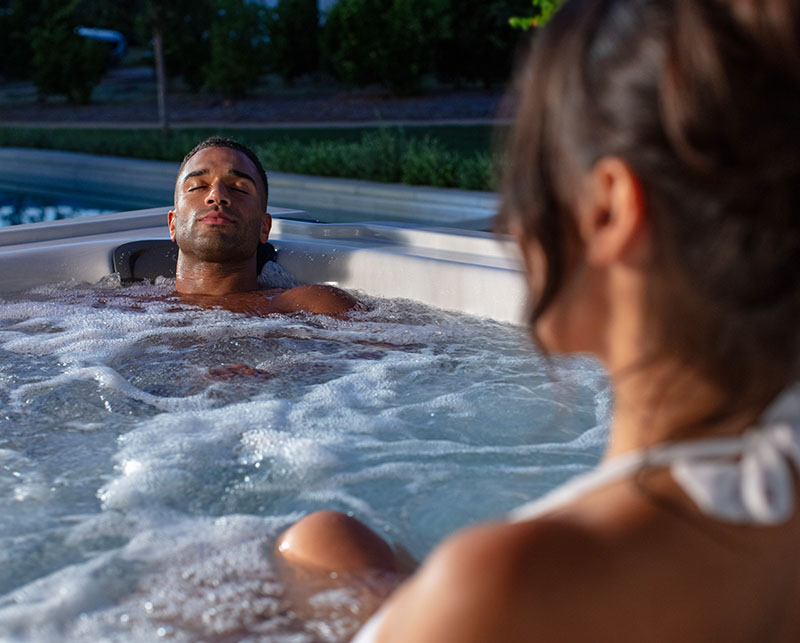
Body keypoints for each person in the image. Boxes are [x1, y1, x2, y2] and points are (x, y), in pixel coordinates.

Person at [276, 0, 800, 640]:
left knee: (312, 541)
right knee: (331, 542)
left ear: (608, 210)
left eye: (528, 179)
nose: (511, 226)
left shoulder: (509, 584)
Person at [168, 137, 357, 316]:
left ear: (264, 227)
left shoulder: (311, 307)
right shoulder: (138, 306)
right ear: (172, 224)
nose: (217, 196)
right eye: (197, 187)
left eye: (239, 189)